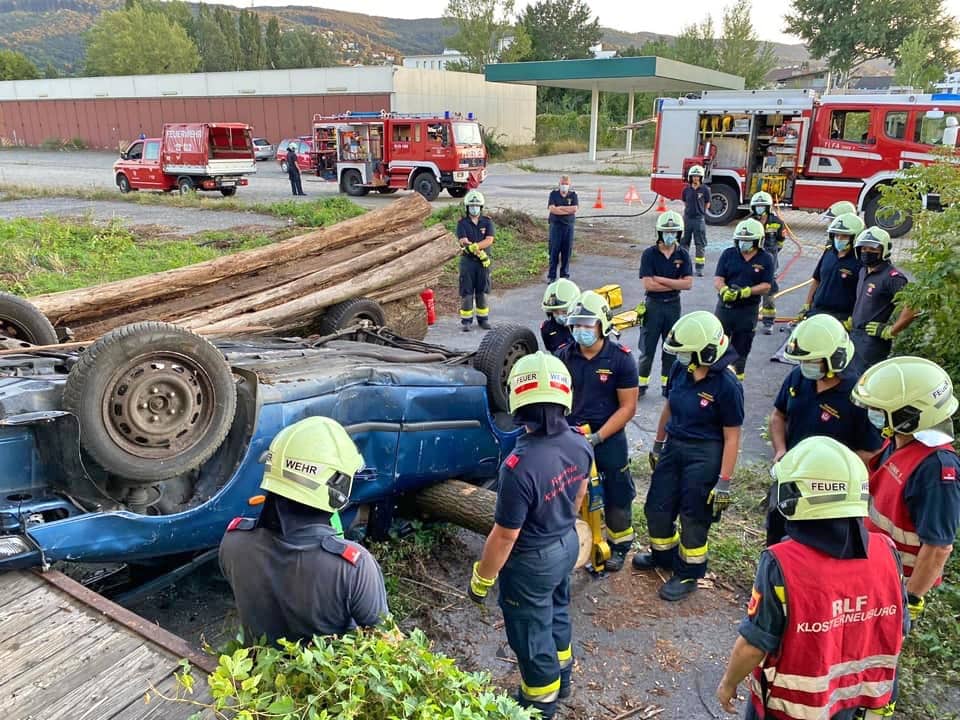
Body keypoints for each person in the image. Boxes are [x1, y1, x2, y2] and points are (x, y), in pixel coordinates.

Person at [716, 436, 908, 720]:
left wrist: (728, 683)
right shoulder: (887, 552)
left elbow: (754, 645)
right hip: (850, 698)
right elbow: (898, 626)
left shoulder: (781, 563)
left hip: (790, 707)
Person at [468, 353, 592, 719]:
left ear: (516, 398)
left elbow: (505, 536)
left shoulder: (518, 467)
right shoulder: (580, 443)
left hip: (532, 562)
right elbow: (579, 494)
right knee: (557, 609)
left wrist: (482, 578)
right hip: (567, 543)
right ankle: (562, 676)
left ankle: (540, 700)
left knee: (529, 630)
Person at [219, 416, 388, 644]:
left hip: (254, 664)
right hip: (328, 669)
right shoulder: (354, 568)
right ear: (337, 486)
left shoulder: (234, 541)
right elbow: (385, 640)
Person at [634, 311, 744, 600]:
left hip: (705, 453)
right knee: (657, 506)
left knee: (694, 515)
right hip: (674, 445)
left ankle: (688, 574)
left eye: (685, 352)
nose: (680, 357)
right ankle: (663, 556)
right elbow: (669, 408)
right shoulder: (681, 370)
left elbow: (732, 436)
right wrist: (658, 444)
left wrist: (724, 482)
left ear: (706, 352)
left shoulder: (727, 386)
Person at [851, 356, 960, 621]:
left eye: (879, 410)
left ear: (910, 416)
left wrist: (909, 599)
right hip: (873, 568)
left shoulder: (937, 470)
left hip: (895, 583)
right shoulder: (899, 439)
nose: (873, 414)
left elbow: (938, 547)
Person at [766, 314, 883, 545]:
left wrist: (829, 472)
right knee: (777, 540)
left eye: (812, 361)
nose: (806, 366)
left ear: (835, 358)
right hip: (789, 481)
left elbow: (871, 452)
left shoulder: (859, 397)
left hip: (827, 499)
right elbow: (778, 416)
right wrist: (780, 451)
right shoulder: (799, 377)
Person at [557, 291, 639, 571]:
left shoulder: (620, 360)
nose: (581, 330)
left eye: (587, 325)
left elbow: (628, 407)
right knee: (567, 491)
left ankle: (619, 546)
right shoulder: (564, 356)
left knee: (617, 493)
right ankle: (572, 543)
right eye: (576, 324)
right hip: (571, 436)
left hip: (608, 438)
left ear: (602, 325)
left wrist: (598, 437)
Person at [637, 210, 693, 398]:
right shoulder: (649, 254)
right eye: (667, 232)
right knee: (647, 347)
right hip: (653, 306)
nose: (670, 235)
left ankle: (666, 384)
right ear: (660, 233)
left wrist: (661, 279)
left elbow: (688, 284)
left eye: (674, 232)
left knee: (670, 348)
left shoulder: (683, 255)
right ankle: (641, 384)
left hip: (673, 306)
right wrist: (674, 283)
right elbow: (648, 285)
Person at [713, 219, 775, 380]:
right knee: (717, 345)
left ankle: (736, 379)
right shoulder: (728, 254)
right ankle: (716, 379)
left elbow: (767, 286)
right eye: (741, 240)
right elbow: (718, 279)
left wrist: (747, 292)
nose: (743, 244)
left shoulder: (766, 259)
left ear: (757, 241)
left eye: (747, 241)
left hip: (747, 311)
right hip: (725, 309)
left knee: (741, 349)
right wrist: (724, 289)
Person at [849, 227, 915, 369]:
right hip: (854, 336)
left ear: (884, 250)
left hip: (872, 343)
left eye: (873, 249)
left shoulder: (893, 278)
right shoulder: (863, 271)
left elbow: (913, 307)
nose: (867, 252)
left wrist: (892, 330)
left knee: (862, 377)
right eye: (864, 248)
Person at [797, 212, 865, 324]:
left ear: (855, 238)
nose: (839, 239)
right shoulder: (829, 252)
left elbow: (862, 296)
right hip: (817, 311)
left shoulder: (860, 262)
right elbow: (817, 280)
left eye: (844, 236)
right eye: (837, 235)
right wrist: (807, 304)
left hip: (841, 317)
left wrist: (853, 319)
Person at [456, 190, 495, 332]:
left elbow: (489, 240)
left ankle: (483, 319)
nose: (474, 208)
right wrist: (476, 250)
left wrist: (475, 247)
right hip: (468, 262)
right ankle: (466, 321)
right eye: (472, 206)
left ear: (481, 207)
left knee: (482, 290)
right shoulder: (462, 223)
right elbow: (463, 241)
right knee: (467, 291)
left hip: (483, 262)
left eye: (477, 206)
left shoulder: (487, 222)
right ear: (467, 207)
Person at [749, 191, 786, 335]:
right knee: (750, 295)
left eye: (762, 206)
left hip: (769, 265)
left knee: (769, 296)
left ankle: (768, 322)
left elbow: (780, 242)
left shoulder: (777, 223)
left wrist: (771, 256)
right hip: (752, 265)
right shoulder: (749, 222)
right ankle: (750, 321)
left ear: (768, 207)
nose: (760, 208)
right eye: (757, 206)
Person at [547, 176, 579, 282]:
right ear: (559, 184)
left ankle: (564, 276)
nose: (564, 186)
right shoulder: (554, 194)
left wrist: (560, 208)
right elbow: (552, 209)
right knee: (554, 251)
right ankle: (552, 276)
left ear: (569, 185)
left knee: (567, 252)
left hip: (568, 227)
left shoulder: (573, 195)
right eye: (562, 183)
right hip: (556, 227)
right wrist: (566, 210)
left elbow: (574, 209)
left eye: (566, 184)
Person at [681, 164, 711, 276]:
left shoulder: (705, 190)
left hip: (699, 220)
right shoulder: (686, 190)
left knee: (700, 244)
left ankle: (699, 268)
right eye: (694, 176)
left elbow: (707, 203)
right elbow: (685, 202)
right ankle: (684, 267)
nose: (695, 178)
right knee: (684, 243)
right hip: (688, 219)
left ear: (701, 177)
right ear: (690, 177)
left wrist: (701, 212)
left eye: (698, 176)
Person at [540, 278, 579, 353]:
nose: (560, 316)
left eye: (564, 312)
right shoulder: (547, 328)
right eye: (555, 312)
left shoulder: (585, 328)